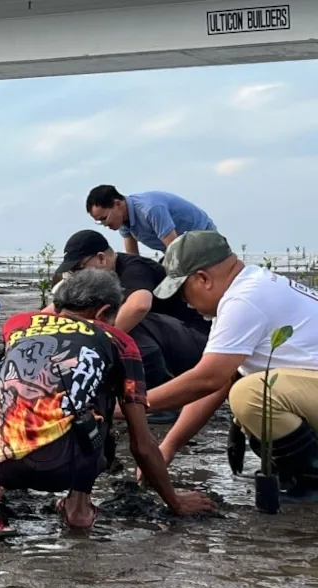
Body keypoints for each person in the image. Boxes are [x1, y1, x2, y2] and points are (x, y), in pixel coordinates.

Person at [0, 269, 216, 533]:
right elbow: (142, 444)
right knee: (98, 396)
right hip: (63, 464)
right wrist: (174, 501)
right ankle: (78, 506)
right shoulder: (120, 342)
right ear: (104, 312)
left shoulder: (17, 325)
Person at [143, 231, 318, 490]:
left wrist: (129, 406)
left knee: (251, 394)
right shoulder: (249, 288)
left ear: (202, 279)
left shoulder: (244, 298)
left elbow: (207, 379)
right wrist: (168, 446)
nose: (185, 303)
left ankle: (309, 484)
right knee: (246, 389)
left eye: (183, 292)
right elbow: (217, 382)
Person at [54, 229, 209, 392]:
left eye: (79, 269)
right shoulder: (100, 281)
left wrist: (96, 343)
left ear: (100, 259)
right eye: (72, 273)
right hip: (166, 339)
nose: (77, 276)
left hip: (193, 340)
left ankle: (153, 389)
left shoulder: (134, 268)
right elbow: (65, 306)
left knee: (127, 321)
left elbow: (139, 306)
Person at [85, 185, 216, 256]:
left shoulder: (150, 209)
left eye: (104, 219)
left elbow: (176, 250)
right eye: (99, 222)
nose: (104, 225)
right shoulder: (123, 219)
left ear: (118, 204)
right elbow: (133, 258)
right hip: (178, 248)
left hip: (204, 240)